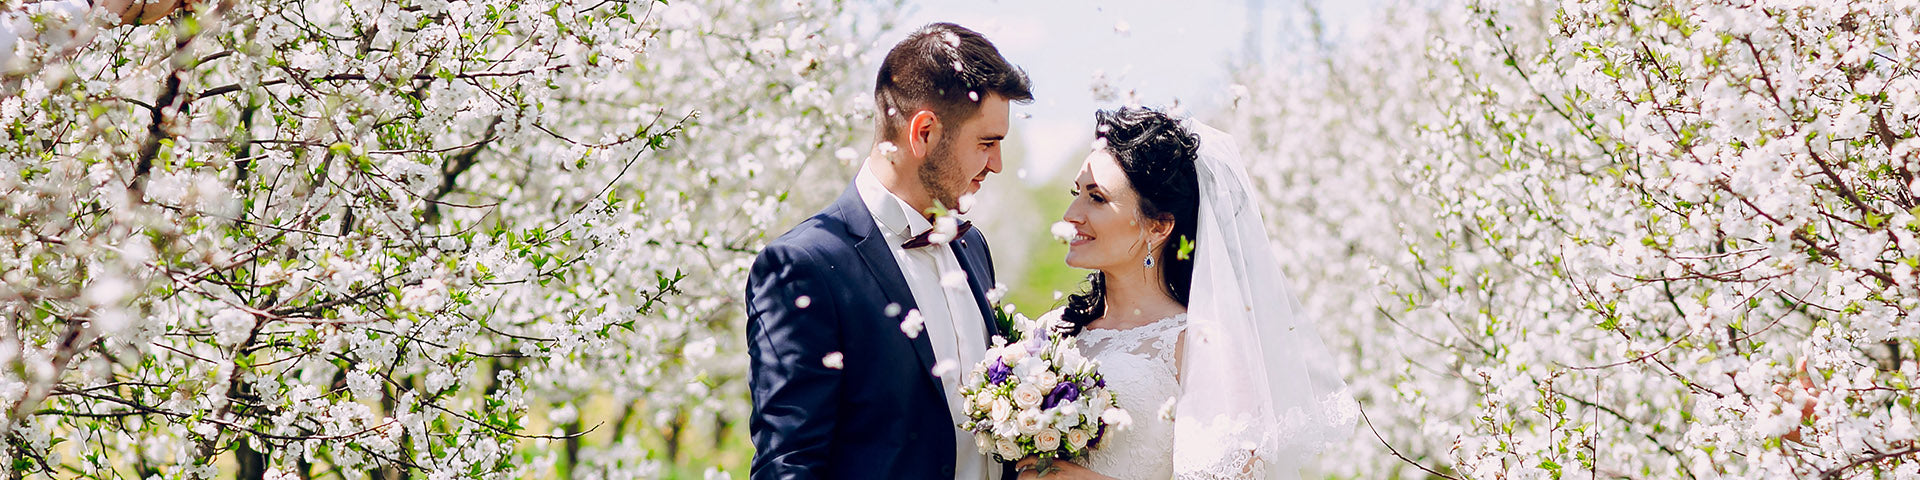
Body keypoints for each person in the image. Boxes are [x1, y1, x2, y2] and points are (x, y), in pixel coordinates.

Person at [744, 22, 1033, 480]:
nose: (996, 164)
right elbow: (788, 464)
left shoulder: (971, 245)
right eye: (986, 143)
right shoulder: (803, 266)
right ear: (923, 133)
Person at [1023, 107, 1356, 479]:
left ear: (1158, 226)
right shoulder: (1049, 334)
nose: (1071, 214)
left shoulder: (1202, 345)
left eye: (1097, 198)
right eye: (1077, 193)